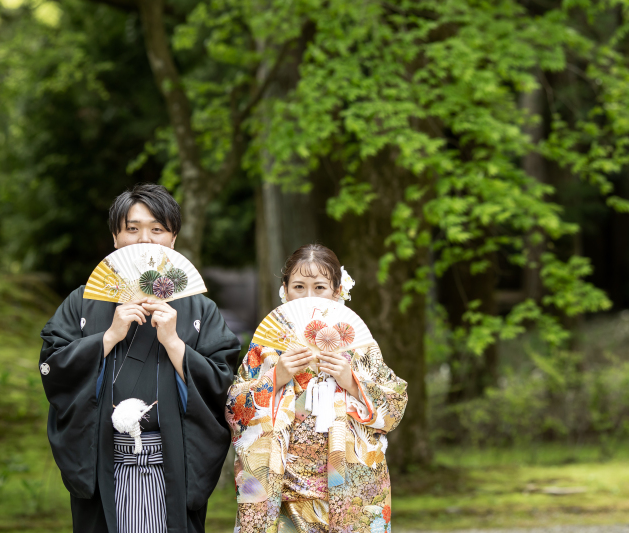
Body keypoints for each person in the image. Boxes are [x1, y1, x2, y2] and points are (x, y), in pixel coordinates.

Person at [39, 183, 241, 533]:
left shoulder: (199, 308)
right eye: (132, 229)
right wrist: (109, 336)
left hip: (172, 462)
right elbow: (53, 369)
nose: (144, 239)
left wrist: (174, 343)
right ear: (115, 239)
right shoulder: (82, 302)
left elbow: (224, 385)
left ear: (173, 239)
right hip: (105, 459)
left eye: (156, 229)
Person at [226, 244, 408, 533]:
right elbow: (236, 409)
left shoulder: (359, 348)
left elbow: (394, 404)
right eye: (299, 286)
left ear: (336, 291)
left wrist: (352, 381)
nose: (309, 297)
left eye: (320, 287)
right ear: (285, 290)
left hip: (347, 482)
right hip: (282, 481)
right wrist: (276, 376)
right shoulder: (268, 347)